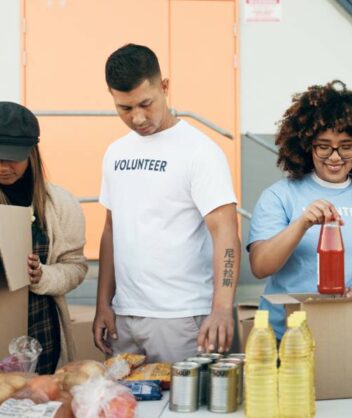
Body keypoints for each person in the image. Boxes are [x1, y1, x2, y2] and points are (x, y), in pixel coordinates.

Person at [93, 44, 241, 362]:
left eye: (146, 103)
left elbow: (226, 233)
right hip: (124, 317)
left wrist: (222, 308)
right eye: (124, 108)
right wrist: (103, 304)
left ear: (165, 86)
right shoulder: (115, 152)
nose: (138, 117)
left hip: (182, 319)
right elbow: (110, 230)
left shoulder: (200, 152)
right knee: (121, 409)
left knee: (183, 411)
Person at [248, 81, 352, 372]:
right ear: (306, 145)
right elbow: (260, 265)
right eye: (324, 147)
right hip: (286, 340)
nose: (335, 157)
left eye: (346, 148)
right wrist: (302, 224)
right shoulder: (280, 196)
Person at [0, 101, 87, 373]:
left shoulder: (60, 204)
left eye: (10, 158)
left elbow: (76, 266)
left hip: (39, 331)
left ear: (32, 153)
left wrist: (42, 276)